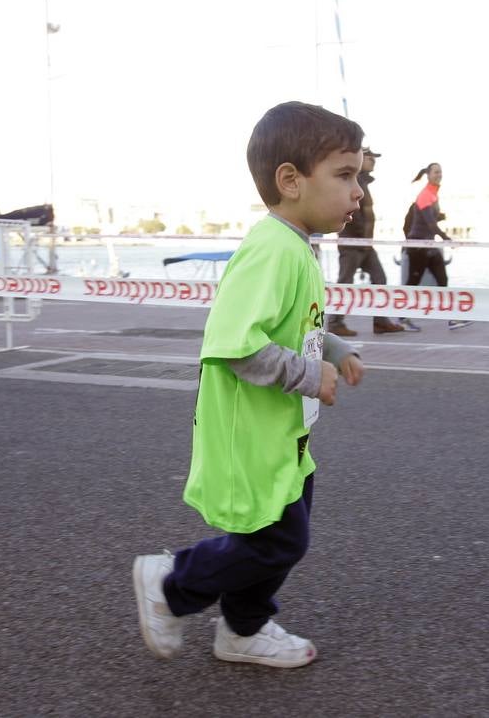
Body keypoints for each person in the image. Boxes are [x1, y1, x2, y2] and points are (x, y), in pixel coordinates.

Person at [132, 102, 367, 668]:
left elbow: (296, 325)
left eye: (358, 176)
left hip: (285, 435)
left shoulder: (297, 246)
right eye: (345, 175)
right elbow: (235, 344)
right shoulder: (272, 249)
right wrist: (310, 375)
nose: (358, 192)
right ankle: (172, 584)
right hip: (253, 435)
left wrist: (334, 350)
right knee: (277, 540)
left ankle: (243, 629)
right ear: (290, 180)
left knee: (280, 536)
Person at [327, 146, 406, 337]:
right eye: (370, 157)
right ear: (359, 159)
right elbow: (347, 210)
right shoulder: (351, 182)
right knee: (345, 282)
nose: (374, 160)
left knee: (380, 278)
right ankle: (335, 322)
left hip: (365, 244)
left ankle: (380, 321)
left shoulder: (363, 182)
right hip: (352, 243)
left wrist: (366, 240)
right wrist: (356, 236)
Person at [403, 162, 469, 330]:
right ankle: (402, 319)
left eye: (440, 172)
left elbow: (429, 219)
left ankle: (452, 319)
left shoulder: (433, 194)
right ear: (428, 175)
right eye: (436, 172)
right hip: (418, 245)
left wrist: (440, 216)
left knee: (443, 280)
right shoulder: (425, 194)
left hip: (430, 245)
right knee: (412, 283)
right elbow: (430, 224)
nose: (439, 175)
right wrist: (447, 239)